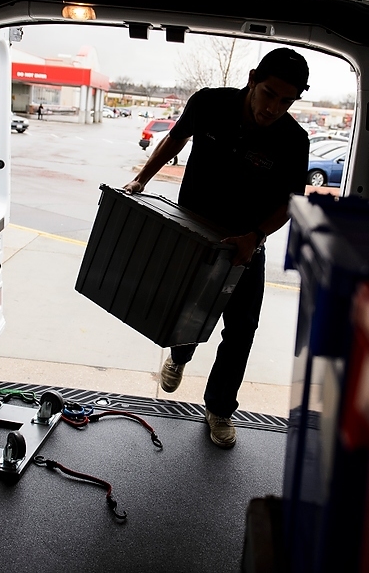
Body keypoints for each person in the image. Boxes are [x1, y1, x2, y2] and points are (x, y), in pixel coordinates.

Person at [123, 48, 311, 448]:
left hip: (246, 243)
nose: (273, 107)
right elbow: (175, 140)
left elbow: (291, 202)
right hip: (194, 233)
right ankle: (180, 356)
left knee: (241, 329)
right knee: (189, 308)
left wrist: (255, 236)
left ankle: (220, 409)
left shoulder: (294, 140)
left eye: (286, 101)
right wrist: (141, 179)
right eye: (269, 94)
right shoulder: (210, 103)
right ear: (252, 78)